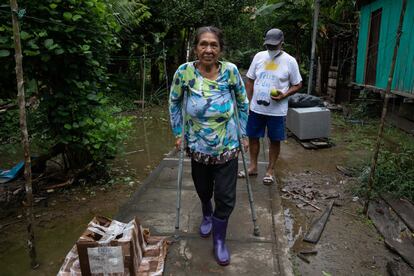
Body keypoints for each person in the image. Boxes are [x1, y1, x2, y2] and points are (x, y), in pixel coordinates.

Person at [168, 26, 249, 266]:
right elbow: (174, 103)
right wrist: (178, 133)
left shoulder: (231, 72)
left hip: (228, 145)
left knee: (225, 197)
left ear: (220, 49)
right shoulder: (184, 73)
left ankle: (219, 239)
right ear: (195, 48)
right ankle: (206, 212)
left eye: (214, 45)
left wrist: (244, 134)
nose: (208, 49)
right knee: (204, 190)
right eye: (203, 44)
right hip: (198, 146)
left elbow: (243, 103)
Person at [240, 28, 302, 185]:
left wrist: (284, 95)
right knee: (253, 137)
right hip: (256, 108)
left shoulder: (290, 61)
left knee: (274, 140)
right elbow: (250, 80)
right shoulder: (259, 57)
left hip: (277, 110)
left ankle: (270, 171)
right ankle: (253, 166)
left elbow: (297, 84)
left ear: (282, 43)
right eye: (268, 45)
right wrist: (249, 101)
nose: (271, 48)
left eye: (274, 45)